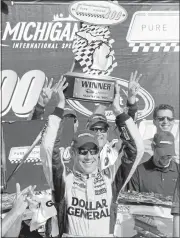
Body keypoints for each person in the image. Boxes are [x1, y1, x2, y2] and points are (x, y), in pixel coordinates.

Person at [40, 77, 144, 237]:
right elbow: (48, 148)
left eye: (93, 151)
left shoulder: (111, 178)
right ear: (73, 152)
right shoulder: (63, 179)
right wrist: (60, 106)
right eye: (83, 151)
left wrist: (118, 110)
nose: (89, 156)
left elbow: (136, 149)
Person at [86, 70, 142, 170]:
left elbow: (130, 132)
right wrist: (104, 103)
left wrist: (131, 98)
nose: (99, 132)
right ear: (88, 131)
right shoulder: (78, 152)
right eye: (94, 129)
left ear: (107, 131)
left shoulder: (114, 149)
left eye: (102, 129)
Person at [127, 131, 179, 197]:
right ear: (152, 147)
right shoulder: (138, 173)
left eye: (169, 154)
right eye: (162, 154)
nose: (166, 157)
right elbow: (131, 202)